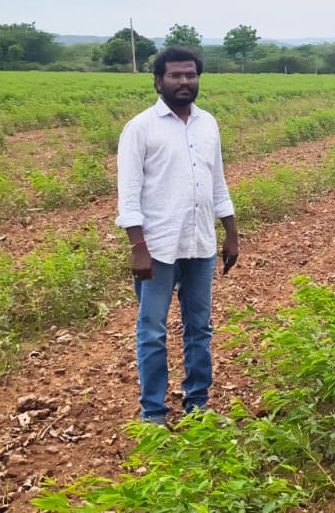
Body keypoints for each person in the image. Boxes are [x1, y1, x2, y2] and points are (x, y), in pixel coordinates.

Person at [116, 45, 240, 425]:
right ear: (159, 81)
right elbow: (129, 196)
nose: (184, 81)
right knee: (152, 330)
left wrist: (231, 233)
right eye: (176, 75)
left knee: (199, 328)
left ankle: (197, 406)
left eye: (191, 75)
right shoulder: (140, 128)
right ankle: (153, 413)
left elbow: (217, 183)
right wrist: (138, 248)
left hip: (200, 243)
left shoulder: (208, 124)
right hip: (157, 248)